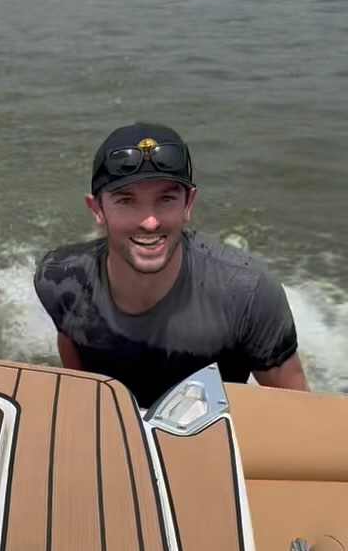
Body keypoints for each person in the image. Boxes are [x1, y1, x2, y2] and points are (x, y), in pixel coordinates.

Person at [33, 121, 309, 409]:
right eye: (126, 201)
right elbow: (78, 372)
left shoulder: (248, 296)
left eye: (166, 199)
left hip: (211, 429)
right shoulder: (61, 278)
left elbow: (297, 409)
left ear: (188, 204)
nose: (150, 221)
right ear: (97, 210)